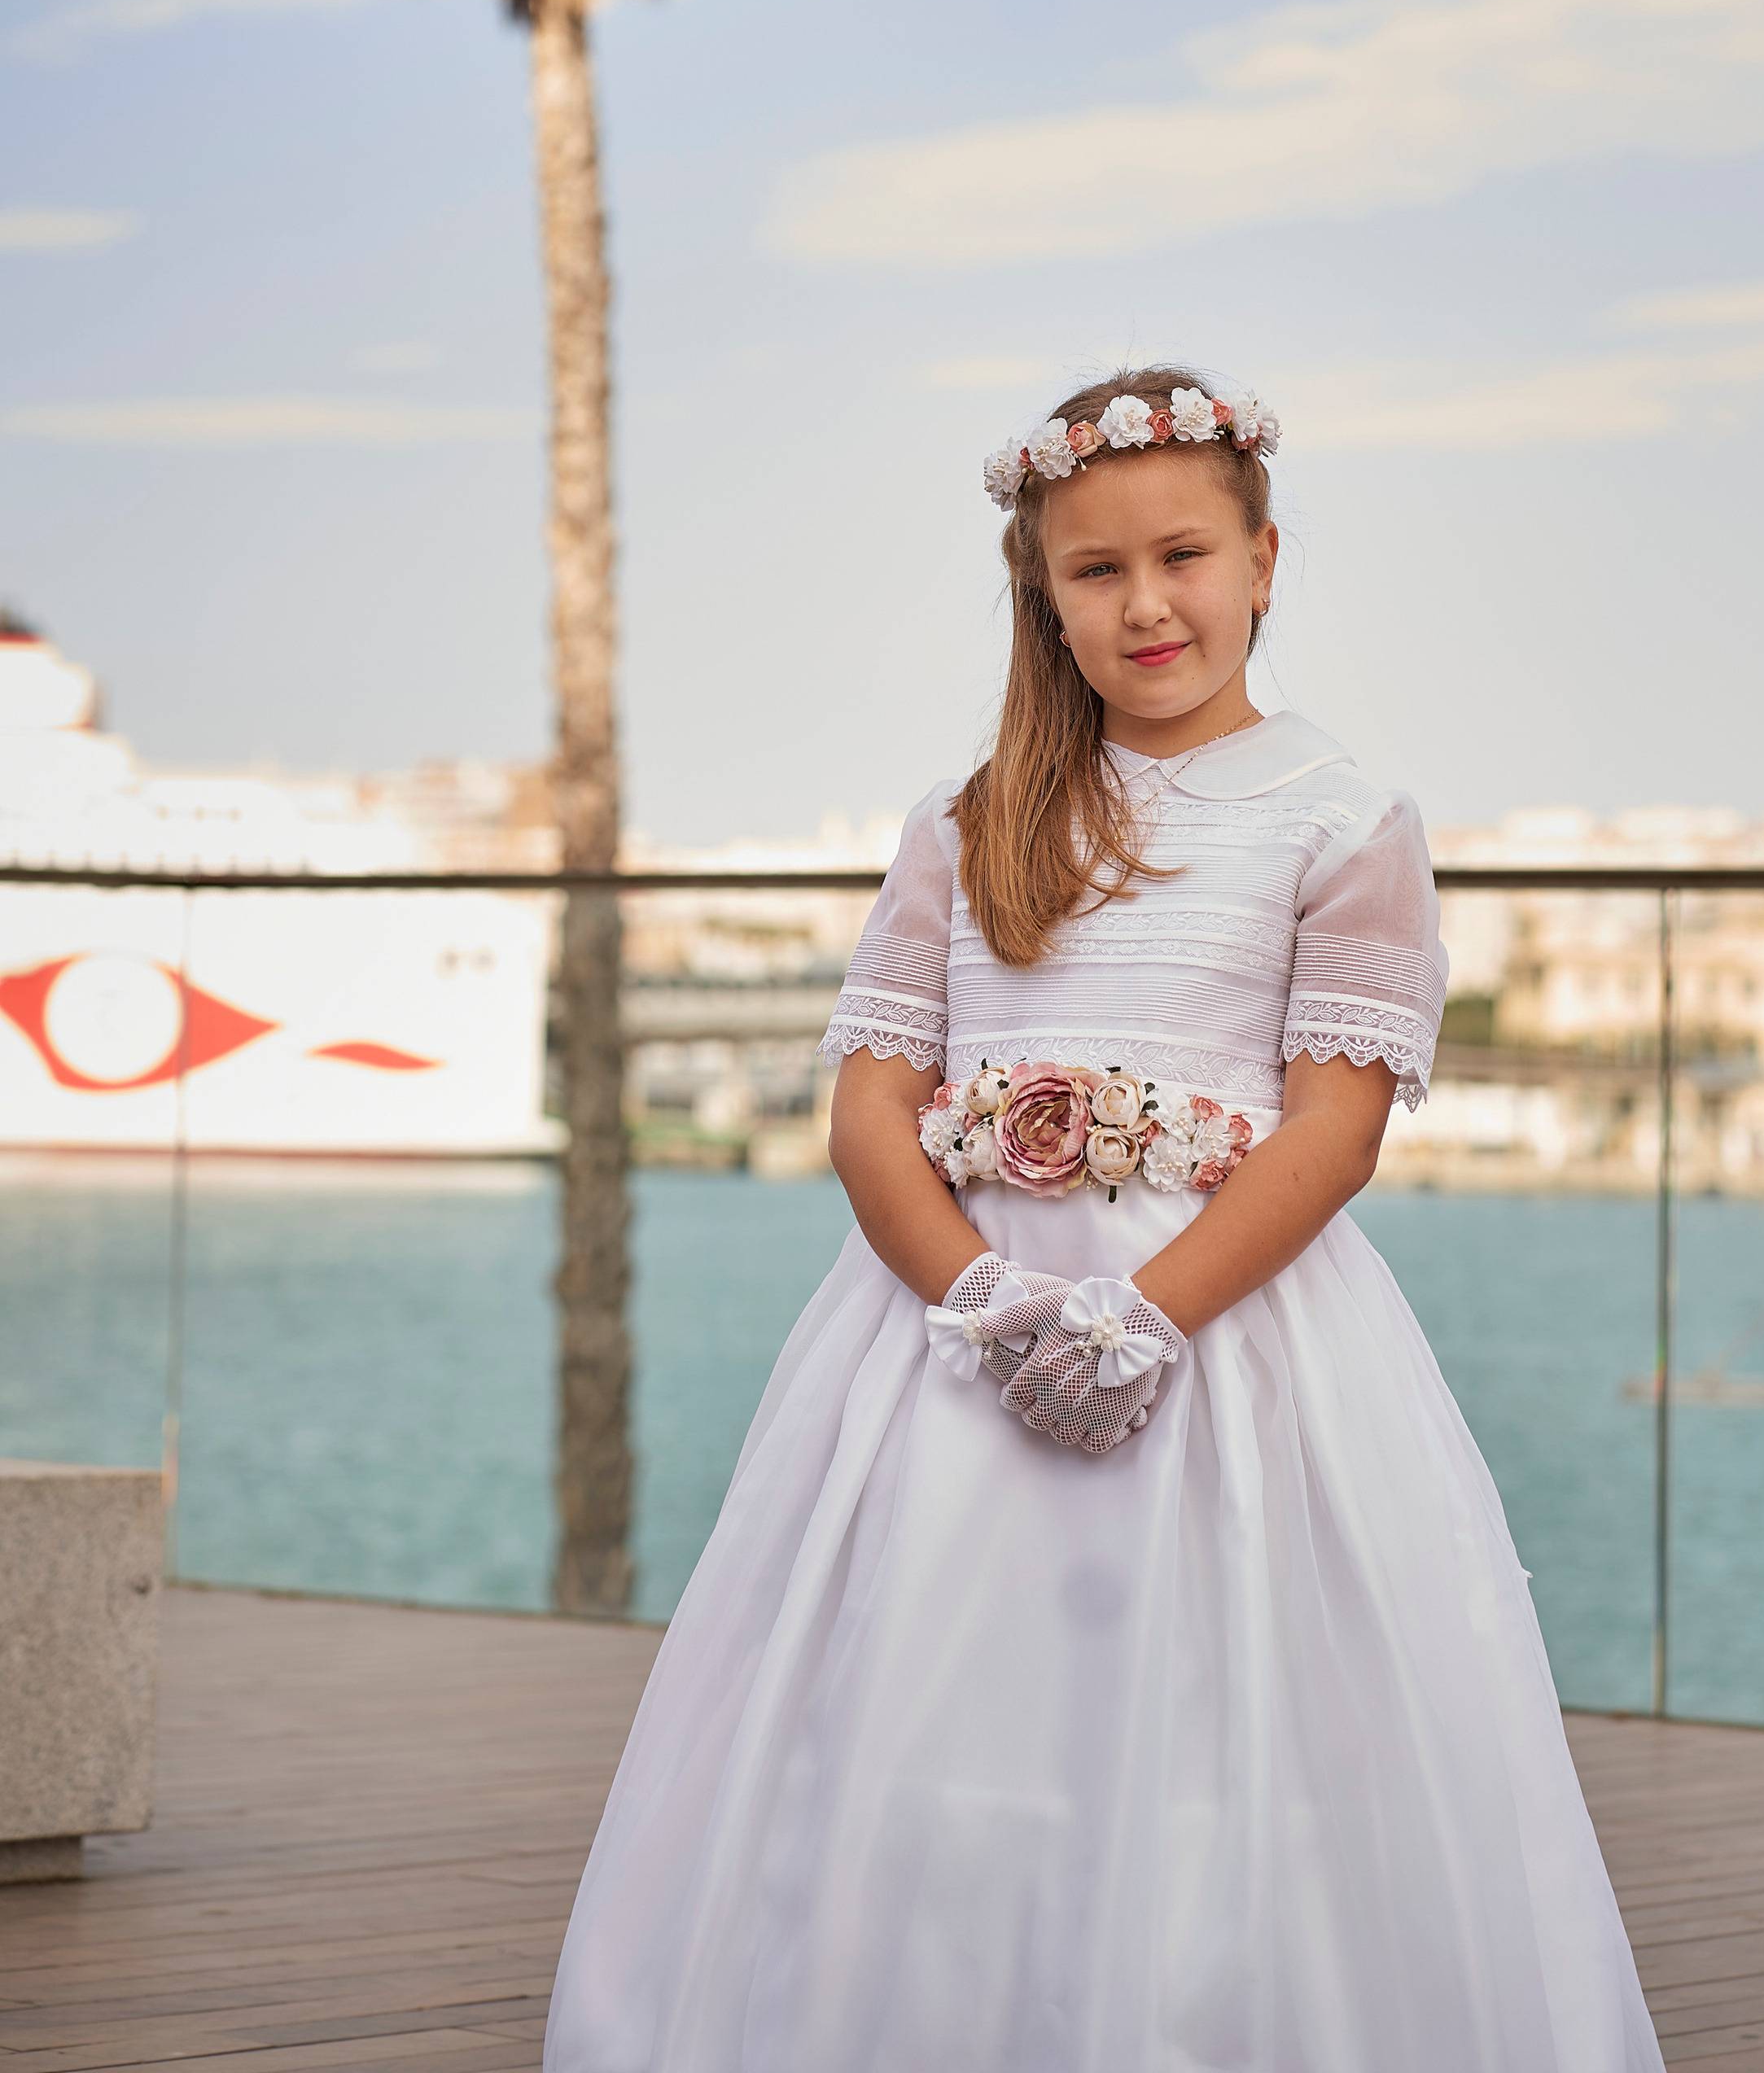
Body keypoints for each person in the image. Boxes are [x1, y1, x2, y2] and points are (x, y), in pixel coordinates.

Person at [545, 363, 1665, 2073]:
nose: (1147, 603)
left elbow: (1335, 1127)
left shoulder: (1338, 819)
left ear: (1263, 560)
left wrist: (1141, 1314)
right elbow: (867, 1109)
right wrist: (988, 1298)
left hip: (1223, 1340)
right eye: (1095, 571)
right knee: (925, 1705)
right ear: (1040, 592)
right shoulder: (965, 822)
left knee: (1208, 1728)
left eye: (1185, 557)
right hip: (950, 1337)